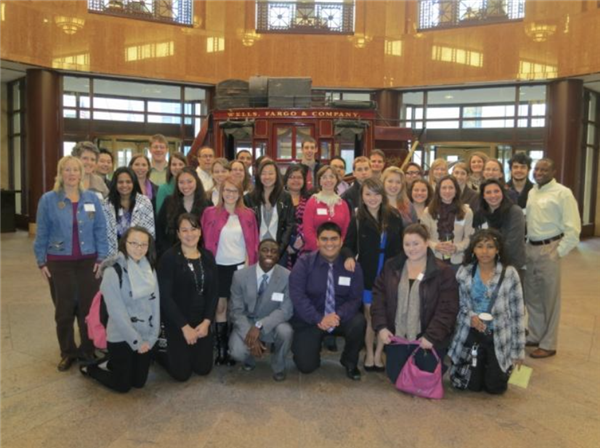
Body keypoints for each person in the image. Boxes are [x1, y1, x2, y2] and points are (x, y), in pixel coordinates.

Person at [33, 156, 108, 371]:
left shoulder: (91, 200)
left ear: (81, 173)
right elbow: (42, 232)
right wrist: (41, 261)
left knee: (87, 309)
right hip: (59, 262)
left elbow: (100, 229)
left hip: (88, 261)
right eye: (67, 169)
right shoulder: (48, 200)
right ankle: (67, 352)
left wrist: (101, 257)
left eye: (76, 169)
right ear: (60, 173)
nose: (72, 173)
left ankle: (87, 349)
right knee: (64, 310)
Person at [371, 223, 459, 384]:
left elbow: (448, 309)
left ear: (426, 242)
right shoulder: (392, 266)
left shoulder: (443, 272)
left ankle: (437, 359)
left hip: (427, 338)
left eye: (416, 243)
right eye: (407, 244)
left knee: (423, 380)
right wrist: (382, 327)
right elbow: (378, 297)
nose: (412, 249)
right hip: (398, 335)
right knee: (396, 377)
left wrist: (431, 336)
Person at [80, 227, 160, 393]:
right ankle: (92, 369)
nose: (139, 248)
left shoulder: (150, 270)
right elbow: (117, 314)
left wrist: (152, 337)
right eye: (134, 243)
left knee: (139, 383)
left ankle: (112, 363)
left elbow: (155, 306)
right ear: (124, 243)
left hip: (145, 334)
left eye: (143, 245)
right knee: (122, 385)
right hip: (121, 336)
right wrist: (136, 342)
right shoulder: (112, 272)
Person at [449, 229, 525, 394]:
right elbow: (458, 306)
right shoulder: (464, 272)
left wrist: (518, 350)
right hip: (471, 335)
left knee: (495, 388)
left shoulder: (510, 274)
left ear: (498, 249)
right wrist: (471, 317)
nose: (484, 251)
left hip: (498, 336)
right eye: (480, 246)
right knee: (472, 386)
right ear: (473, 249)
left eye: (490, 246)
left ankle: (498, 369)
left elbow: (518, 313)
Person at [289, 222, 366, 380]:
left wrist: (336, 316)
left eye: (333, 239)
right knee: (306, 367)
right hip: (311, 319)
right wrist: (319, 318)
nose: (329, 243)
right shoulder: (304, 263)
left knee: (359, 322)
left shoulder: (352, 267)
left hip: (340, 318)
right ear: (317, 241)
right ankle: (312, 350)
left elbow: (355, 298)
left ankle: (349, 362)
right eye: (324, 239)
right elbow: (297, 295)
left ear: (341, 241)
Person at [342, 178, 404, 372]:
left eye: (376, 194)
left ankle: (379, 354)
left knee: (384, 315)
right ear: (362, 196)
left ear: (382, 195)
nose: (372, 198)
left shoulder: (394, 216)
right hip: (367, 274)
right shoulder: (358, 218)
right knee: (370, 316)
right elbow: (347, 245)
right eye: (368, 194)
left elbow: (402, 246)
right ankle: (369, 353)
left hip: (389, 273)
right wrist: (349, 257)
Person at [524, 158, 581, 359]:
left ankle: (549, 343)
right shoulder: (533, 191)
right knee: (532, 297)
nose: (539, 172)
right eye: (537, 168)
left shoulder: (563, 193)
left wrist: (558, 252)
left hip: (550, 248)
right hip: (530, 248)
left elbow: (573, 229)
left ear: (554, 171)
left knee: (550, 298)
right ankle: (536, 334)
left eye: (544, 169)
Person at [201, 176, 259, 365]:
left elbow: (253, 243)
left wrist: (249, 267)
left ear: (240, 193)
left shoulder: (248, 214)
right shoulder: (210, 213)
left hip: (239, 267)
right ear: (221, 191)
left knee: (236, 308)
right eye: (227, 190)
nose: (230, 194)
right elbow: (203, 240)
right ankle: (222, 348)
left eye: (234, 191)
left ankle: (235, 345)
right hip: (217, 266)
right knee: (220, 307)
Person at [157, 214, 218, 381]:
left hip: (201, 323)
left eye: (193, 229)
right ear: (177, 233)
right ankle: (158, 354)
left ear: (200, 232)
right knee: (182, 374)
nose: (189, 234)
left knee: (203, 369)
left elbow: (213, 293)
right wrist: (184, 327)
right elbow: (165, 297)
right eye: (184, 230)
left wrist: (206, 322)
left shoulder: (208, 256)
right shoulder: (169, 258)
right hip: (178, 322)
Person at [229, 240, 293, 381]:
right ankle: (249, 358)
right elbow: (236, 311)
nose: (269, 253)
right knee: (236, 352)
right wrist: (249, 332)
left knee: (286, 332)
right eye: (265, 249)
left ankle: (279, 366)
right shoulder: (239, 276)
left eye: (274, 251)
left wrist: (260, 325)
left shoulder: (287, 276)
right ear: (258, 252)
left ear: (278, 256)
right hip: (247, 321)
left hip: (272, 322)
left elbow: (286, 310)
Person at [420, 175, 474, 270]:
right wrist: (435, 246)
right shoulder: (428, 211)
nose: (447, 191)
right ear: (438, 190)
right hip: (434, 259)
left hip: (457, 261)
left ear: (456, 190)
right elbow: (423, 237)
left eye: (451, 188)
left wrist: (457, 247)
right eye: (444, 188)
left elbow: (469, 237)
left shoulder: (466, 212)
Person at [244, 160, 294, 258]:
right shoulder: (249, 198)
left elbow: (290, 224)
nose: (267, 177)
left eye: (271, 173)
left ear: (277, 175)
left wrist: (280, 249)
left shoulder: (286, 197)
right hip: (256, 250)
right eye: (263, 173)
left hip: (279, 250)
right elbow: (247, 226)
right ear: (258, 176)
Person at [473, 179, 525, 274]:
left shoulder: (514, 212)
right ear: (483, 196)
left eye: (496, 191)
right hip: (486, 265)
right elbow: (477, 241)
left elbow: (513, 244)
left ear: (503, 193)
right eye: (488, 192)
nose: (493, 195)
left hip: (511, 266)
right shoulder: (480, 215)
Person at [156, 167, 210, 257]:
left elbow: (208, 233)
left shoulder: (207, 204)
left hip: (199, 254)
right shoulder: (169, 202)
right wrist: (165, 252)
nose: (185, 186)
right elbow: (159, 230)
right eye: (181, 182)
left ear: (197, 181)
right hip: (172, 255)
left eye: (189, 181)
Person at [103, 167, 155, 257]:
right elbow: (103, 233)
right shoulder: (106, 204)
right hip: (112, 254)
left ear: (134, 183)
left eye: (128, 182)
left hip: (139, 253)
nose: (124, 185)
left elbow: (150, 233)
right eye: (120, 182)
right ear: (115, 184)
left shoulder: (144, 202)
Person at [302, 166, 351, 253]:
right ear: (320, 181)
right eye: (324, 177)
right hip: (314, 252)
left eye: (331, 177)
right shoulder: (312, 202)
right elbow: (307, 230)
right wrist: (322, 250)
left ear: (336, 180)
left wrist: (335, 250)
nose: (328, 180)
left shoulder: (343, 204)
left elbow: (346, 231)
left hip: (337, 253)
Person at [283, 164, 310, 269]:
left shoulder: (310, 200)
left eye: (299, 177)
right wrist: (286, 245)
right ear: (286, 179)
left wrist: (300, 240)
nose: (296, 180)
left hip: (303, 244)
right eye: (292, 177)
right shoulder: (280, 199)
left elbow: (311, 224)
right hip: (283, 245)